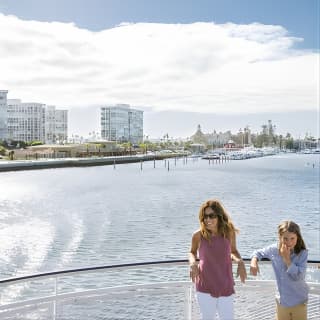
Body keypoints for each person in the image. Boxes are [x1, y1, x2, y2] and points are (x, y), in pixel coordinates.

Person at [188, 199, 247, 320]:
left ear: (219, 216)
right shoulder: (198, 235)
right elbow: (192, 252)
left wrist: (240, 262)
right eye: (205, 217)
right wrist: (193, 263)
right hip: (205, 285)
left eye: (211, 216)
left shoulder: (229, 232)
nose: (207, 220)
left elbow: (233, 251)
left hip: (225, 284)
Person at [250, 220, 309, 320]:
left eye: (292, 238)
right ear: (280, 237)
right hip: (282, 302)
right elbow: (258, 252)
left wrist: (287, 259)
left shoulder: (302, 253)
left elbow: (298, 277)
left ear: (297, 237)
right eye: (285, 238)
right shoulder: (274, 250)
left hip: (299, 302)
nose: (289, 242)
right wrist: (254, 262)